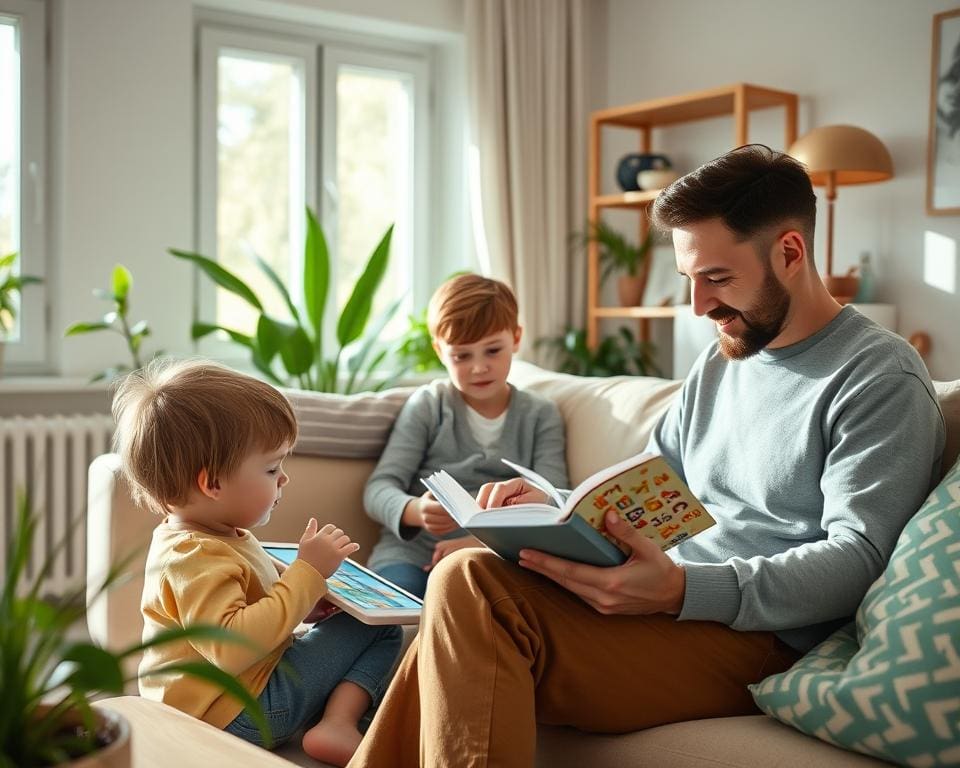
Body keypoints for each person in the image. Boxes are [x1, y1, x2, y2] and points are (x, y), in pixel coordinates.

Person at [347, 145, 946, 768]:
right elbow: (648, 487)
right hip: (665, 606)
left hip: (761, 637)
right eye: (690, 280)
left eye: (717, 278)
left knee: (471, 587)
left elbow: (861, 556)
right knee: (466, 572)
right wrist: (551, 509)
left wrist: (682, 588)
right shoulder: (722, 360)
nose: (698, 307)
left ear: (790, 252)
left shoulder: (877, 376)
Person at [112, 359, 402, 767]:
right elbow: (231, 649)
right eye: (271, 467)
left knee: (358, 623)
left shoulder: (209, 536)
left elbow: (241, 612)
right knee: (384, 627)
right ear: (211, 483)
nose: (283, 478)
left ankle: (331, 719)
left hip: (229, 702)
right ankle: (337, 723)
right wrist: (308, 573)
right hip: (238, 717)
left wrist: (310, 603)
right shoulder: (195, 555)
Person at [363, 272, 569, 597]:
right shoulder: (429, 406)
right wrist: (416, 511)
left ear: (516, 338)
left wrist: (474, 544)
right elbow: (378, 488)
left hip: (494, 558)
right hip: (411, 557)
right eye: (462, 356)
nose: (478, 367)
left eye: (492, 351)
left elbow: (552, 499)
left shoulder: (540, 415)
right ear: (439, 351)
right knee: (387, 611)